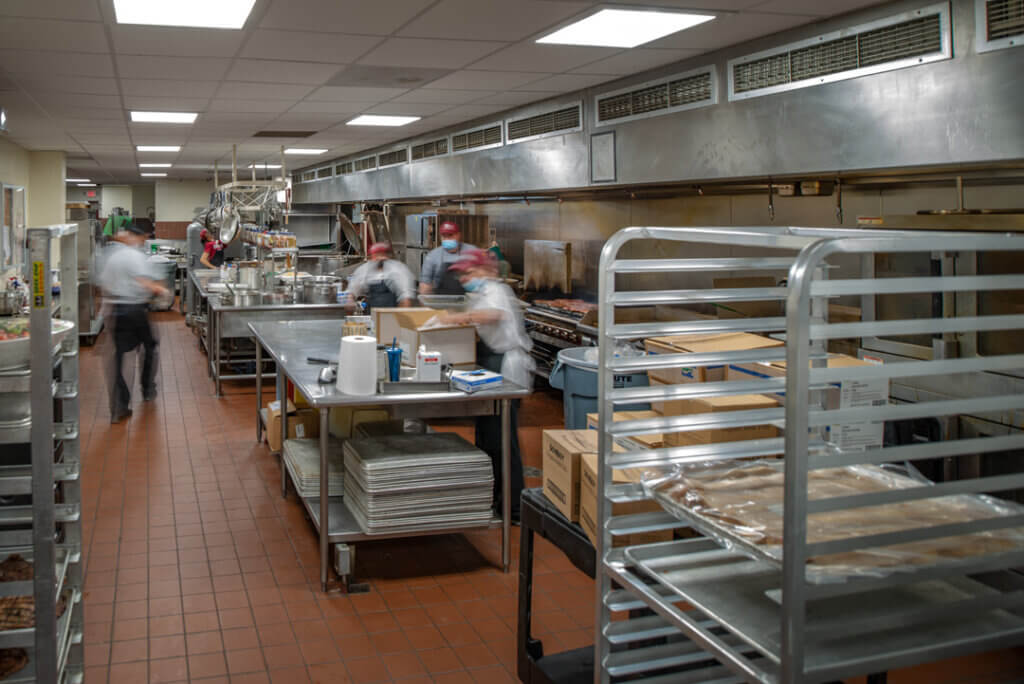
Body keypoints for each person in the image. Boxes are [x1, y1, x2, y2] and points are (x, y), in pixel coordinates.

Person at [440, 248, 534, 521]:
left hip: (507, 366)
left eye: (470, 272)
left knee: (503, 439)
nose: (465, 278)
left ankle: (515, 507)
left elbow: (493, 316)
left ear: (484, 271)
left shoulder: (496, 290)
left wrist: (458, 318)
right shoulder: (479, 295)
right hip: (490, 364)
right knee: (488, 436)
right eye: (462, 274)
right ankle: (494, 497)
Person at [98, 223, 169, 423]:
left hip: (116, 310)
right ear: (137, 237)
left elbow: (104, 285)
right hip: (135, 309)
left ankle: (120, 406)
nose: (142, 242)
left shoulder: (111, 256)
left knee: (119, 357)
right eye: (143, 238)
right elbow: (144, 282)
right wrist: (161, 290)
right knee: (149, 346)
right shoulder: (135, 256)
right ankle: (147, 389)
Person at [346, 241, 416, 312]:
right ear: (372, 256)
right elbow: (353, 289)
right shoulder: (365, 269)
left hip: (392, 314)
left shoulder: (398, 270)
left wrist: (400, 317)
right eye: (377, 255)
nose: (380, 258)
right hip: (372, 315)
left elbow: (406, 298)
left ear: (388, 255)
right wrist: (350, 299)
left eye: (382, 254)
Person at [419, 221, 474, 295]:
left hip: (467, 301)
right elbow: (425, 284)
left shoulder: (472, 252)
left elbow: (483, 277)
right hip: (441, 301)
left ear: (458, 235)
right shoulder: (433, 256)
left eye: (450, 235)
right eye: (444, 236)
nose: (447, 239)